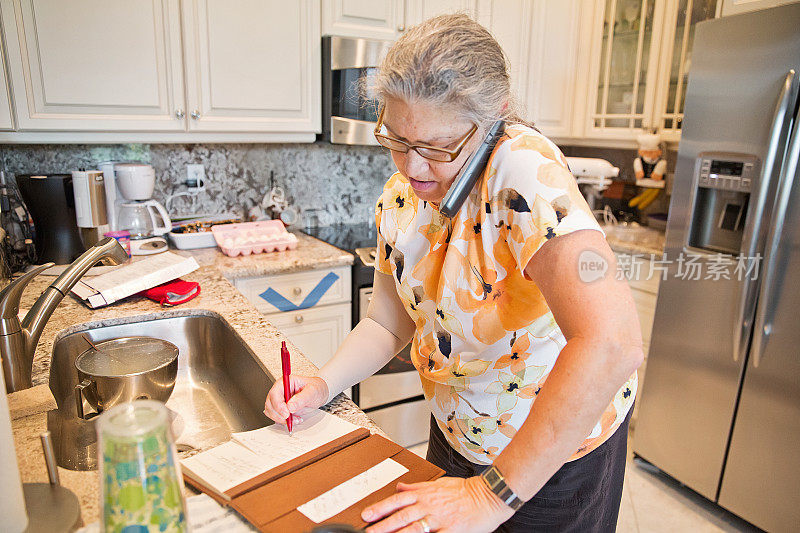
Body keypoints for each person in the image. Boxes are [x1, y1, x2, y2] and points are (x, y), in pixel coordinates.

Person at [264, 14, 643, 533]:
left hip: (552, 456)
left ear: (495, 116)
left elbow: (613, 342)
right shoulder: (401, 197)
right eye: (397, 141)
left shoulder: (523, 170)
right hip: (459, 431)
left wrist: (490, 498)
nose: (413, 168)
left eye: (436, 148)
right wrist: (324, 384)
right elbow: (387, 324)